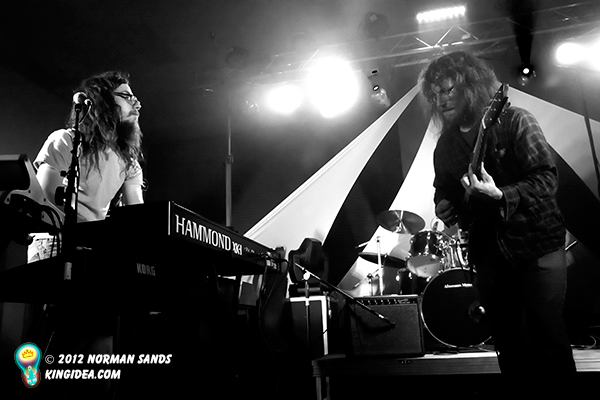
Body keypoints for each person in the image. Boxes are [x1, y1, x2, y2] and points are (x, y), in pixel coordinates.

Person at [418, 51, 577, 396]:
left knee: (548, 338)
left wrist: (501, 194)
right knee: (510, 346)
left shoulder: (515, 120)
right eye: (436, 93)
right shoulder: (445, 146)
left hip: (537, 247)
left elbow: (546, 179)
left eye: (449, 90)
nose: (441, 100)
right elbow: (443, 190)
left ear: (472, 86)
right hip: (490, 258)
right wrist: (444, 207)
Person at [26, 71, 145, 398]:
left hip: (95, 252)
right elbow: (46, 206)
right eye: (126, 95)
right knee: (65, 335)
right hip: (56, 248)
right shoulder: (65, 141)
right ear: (102, 102)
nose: (136, 102)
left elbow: (137, 214)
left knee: (103, 332)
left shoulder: (128, 160)